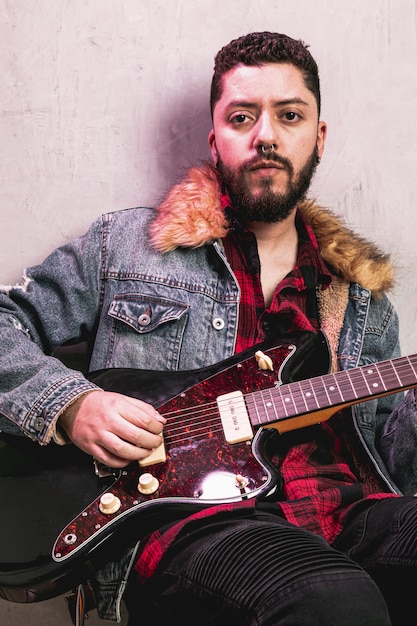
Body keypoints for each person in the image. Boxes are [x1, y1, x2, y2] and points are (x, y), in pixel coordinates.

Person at [1, 30, 417, 626]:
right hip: (194, 523)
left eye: (290, 115)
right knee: (333, 601)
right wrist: (72, 405)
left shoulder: (361, 299)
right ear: (214, 138)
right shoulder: (126, 246)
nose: (265, 135)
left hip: (349, 514)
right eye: (242, 116)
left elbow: (397, 463)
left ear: (318, 138)